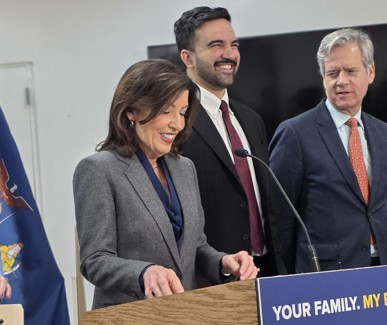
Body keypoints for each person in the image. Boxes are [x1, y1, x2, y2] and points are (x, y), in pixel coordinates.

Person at [73, 59, 257, 309]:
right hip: (130, 315)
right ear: (131, 110)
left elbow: (195, 246)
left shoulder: (184, 168)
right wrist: (144, 273)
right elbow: (94, 260)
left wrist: (223, 262)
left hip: (183, 313)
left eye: (182, 112)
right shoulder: (98, 170)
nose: (177, 124)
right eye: (166, 111)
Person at [269, 28, 387, 274]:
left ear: (370, 73)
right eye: (333, 73)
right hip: (324, 275)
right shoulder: (295, 134)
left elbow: (378, 204)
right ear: (323, 77)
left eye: (351, 71)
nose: (341, 81)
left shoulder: (384, 133)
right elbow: (280, 220)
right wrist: (285, 280)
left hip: (381, 268)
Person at [173, 7, 283, 277]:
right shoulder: (176, 121)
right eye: (216, 45)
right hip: (211, 277)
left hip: (265, 268)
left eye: (233, 45)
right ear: (187, 57)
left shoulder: (251, 119)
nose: (229, 54)